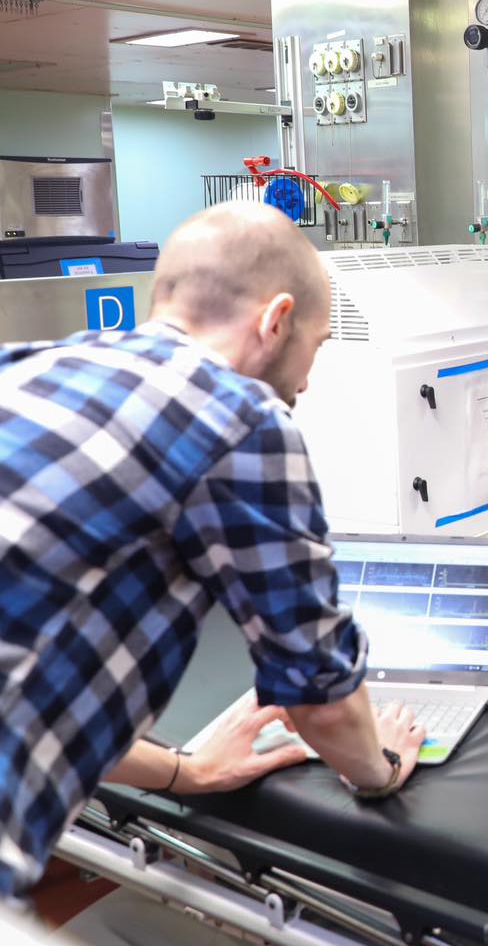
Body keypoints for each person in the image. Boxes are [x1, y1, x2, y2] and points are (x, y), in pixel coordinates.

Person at [0, 201, 426, 902]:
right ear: (276, 320)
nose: (310, 380)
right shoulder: (243, 417)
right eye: (316, 346)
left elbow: (39, 682)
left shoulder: (33, 366)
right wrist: (380, 767)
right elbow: (317, 697)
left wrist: (184, 772)